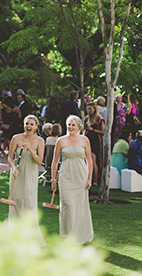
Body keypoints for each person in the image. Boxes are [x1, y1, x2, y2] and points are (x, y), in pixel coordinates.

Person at [51, 115, 94, 244]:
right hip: (65, 176)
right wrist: (53, 178)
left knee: (79, 206)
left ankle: (78, 234)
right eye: (68, 124)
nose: (70, 127)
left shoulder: (85, 140)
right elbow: (55, 161)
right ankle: (68, 234)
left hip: (81, 176)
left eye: (73, 125)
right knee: (67, 205)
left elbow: (89, 160)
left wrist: (90, 178)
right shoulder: (60, 141)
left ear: (79, 127)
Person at [7, 115, 45, 246]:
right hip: (17, 174)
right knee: (16, 203)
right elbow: (10, 158)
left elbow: (40, 161)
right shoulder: (16, 138)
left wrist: (30, 150)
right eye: (27, 123)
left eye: (32, 124)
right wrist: (13, 168)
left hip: (30, 175)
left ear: (36, 127)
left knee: (29, 203)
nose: (29, 126)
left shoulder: (40, 141)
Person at [84, 102, 104, 185]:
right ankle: (89, 178)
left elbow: (103, 131)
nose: (89, 111)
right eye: (88, 109)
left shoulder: (99, 119)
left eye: (90, 109)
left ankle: (95, 179)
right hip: (88, 140)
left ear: (94, 109)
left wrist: (93, 130)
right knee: (88, 159)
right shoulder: (86, 119)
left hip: (96, 140)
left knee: (93, 159)